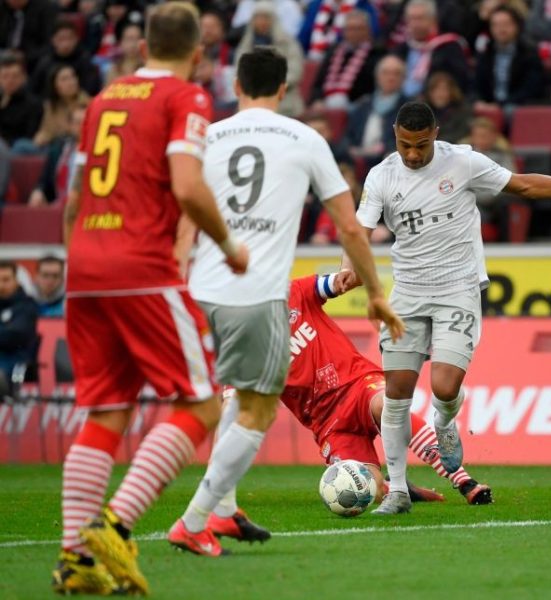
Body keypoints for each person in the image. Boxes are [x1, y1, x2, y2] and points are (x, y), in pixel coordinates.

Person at [169, 47, 401, 556]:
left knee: (235, 398)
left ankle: (224, 511)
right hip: (255, 292)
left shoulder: (207, 136)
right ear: (283, 88)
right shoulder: (304, 138)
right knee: (256, 409)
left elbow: (184, 207)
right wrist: (377, 295)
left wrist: (178, 270)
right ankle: (193, 519)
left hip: (201, 291)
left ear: (237, 82)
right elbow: (349, 227)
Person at [52, 3, 250, 595]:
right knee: (202, 406)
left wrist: (83, 260)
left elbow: (74, 198)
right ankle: (114, 523)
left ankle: (74, 561)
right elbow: (188, 187)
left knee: (107, 411)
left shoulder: (104, 98)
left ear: (142, 49)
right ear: (197, 55)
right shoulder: (186, 98)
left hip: (84, 268)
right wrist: (227, 245)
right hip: (143, 266)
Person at [346, 100, 551, 514]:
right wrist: (349, 267)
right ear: (395, 138)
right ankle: (399, 491)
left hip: (457, 288)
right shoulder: (381, 175)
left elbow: (523, 185)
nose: (414, 154)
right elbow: (359, 231)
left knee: (444, 387)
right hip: (407, 293)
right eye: (405, 145)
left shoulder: (463, 163)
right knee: (397, 393)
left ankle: (443, 421)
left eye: (421, 145)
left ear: (435, 134)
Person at [192, 274, 493, 545]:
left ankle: (464, 481)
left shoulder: (293, 291)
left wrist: (350, 276)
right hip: (329, 425)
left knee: (387, 406)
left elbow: (339, 282)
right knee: (366, 489)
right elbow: (231, 405)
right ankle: (394, 488)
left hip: (358, 385)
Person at [234, 0, 305, 117]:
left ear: (273, 19)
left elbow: (295, 71)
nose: (262, 22)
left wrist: (269, 83)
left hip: (284, 99)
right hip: (252, 96)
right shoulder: (246, 45)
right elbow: (238, 70)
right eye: (258, 18)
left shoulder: (288, 43)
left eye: (265, 18)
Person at [392, 0, 470, 98]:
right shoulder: (401, 49)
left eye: (420, 18)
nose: (415, 24)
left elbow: (459, 82)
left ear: (433, 20)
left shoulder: (449, 47)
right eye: (411, 19)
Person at [474, 5, 545, 114]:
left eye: (506, 24)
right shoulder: (486, 52)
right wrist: (480, 101)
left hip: (517, 105)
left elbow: (531, 88)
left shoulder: (528, 52)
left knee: (510, 112)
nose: (501, 29)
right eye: (496, 25)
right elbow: (477, 84)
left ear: (516, 26)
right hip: (490, 105)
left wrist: (501, 105)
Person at [309, 9, 383, 111]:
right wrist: (317, 100)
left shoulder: (377, 54)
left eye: (359, 29)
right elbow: (318, 84)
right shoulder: (333, 51)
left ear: (368, 30)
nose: (354, 33)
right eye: (350, 29)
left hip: (356, 107)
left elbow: (372, 89)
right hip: (325, 105)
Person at [345, 55, 407, 162]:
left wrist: (383, 150)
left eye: (396, 74)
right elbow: (347, 136)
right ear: (377, 77)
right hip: (356, 159)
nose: (391, 78)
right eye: (386, 73)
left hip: (387, 160)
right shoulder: (363, 104)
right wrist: (351, 150)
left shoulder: (409, 107)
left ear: (403, 78)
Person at [28, 103, 85, 206]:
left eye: (85, 122)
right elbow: (44, 180)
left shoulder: (99, 151)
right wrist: (38, 191)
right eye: (77, 122)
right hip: (59, 203)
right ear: (70, 125)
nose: (81, 127)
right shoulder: (59, 149)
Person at [30, 18, 102, 97]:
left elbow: (92, 89)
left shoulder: (85, 61)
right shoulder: (45, 63)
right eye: (61, 39)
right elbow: (34, 90)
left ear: (76, 40)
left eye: (69, 38)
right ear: (53, 40)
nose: (66, 44)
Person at [30, 64, 89, 151]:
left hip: (77, 147)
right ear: (54, 85)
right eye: (64, 79)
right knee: (23, 146)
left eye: (73, 77)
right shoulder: (51, 106)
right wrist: (41, 136)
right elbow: (46, 131)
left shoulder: (88, 103)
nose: (71, 82)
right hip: (51, 147)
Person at [0, 260, 38, 384]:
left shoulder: (27, 306)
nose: (1, 285)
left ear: (16, 281)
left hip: (14, 364)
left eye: (6, 280)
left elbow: (14, 334)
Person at [0, 52, 43, 148]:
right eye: (5, 76)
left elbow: (29, 136)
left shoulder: (33, 104)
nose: (10, 80)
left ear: (23, 78)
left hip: (17, 150)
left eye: (15, 76)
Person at [0, 0, 58, 69]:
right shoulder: (3, 9)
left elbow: (51, 44)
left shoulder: (46, 9)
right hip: (5, 56)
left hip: (34, 59)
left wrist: (26, 56)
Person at [424, 71, 472, 143]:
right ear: (430, 92)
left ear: (452, 92)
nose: (440, 94)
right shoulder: (423, 110)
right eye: (435, 89)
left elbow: (462, 133)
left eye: (444, 89)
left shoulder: (463, 110)